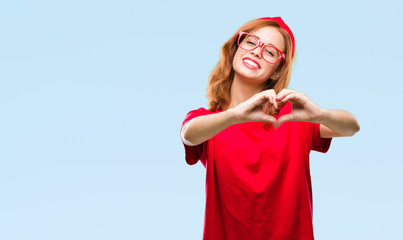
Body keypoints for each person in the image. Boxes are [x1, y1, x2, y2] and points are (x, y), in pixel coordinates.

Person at [180, 17, 360, 240]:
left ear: (276, 71)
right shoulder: (210, 121)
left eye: (271, 52)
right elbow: (189, 134)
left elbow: (351, 126)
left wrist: (320, 114)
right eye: (251, 42)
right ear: (236, 48)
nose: (257, 52)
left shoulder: (291, 119)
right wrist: (236, 115)